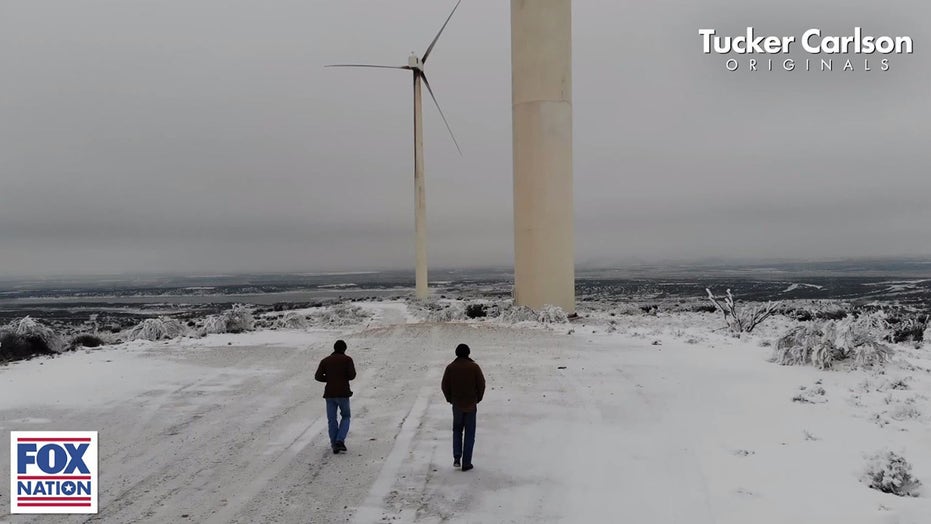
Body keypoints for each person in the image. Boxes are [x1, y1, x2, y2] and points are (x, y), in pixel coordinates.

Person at [441, 343, 485, 471]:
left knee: (457, 430)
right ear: (468, 353)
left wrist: (450, 398)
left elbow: (444, 385)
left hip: (457, 404)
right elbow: (481, 384)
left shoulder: (451, 368)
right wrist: (478, 398)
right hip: (471, 404)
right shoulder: (474, 367)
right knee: (470, 433)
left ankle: (456, 457)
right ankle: (466, 462)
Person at [315, 339, 356, 454]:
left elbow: (318, 376)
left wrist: (329, 379)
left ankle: (334, 444)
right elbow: (352, 376)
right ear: (344, 349)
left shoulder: (325, 361)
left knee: (332, 419)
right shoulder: (347, 360)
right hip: (343, 393)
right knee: (346, 416)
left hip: (330, 394)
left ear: (334, 348)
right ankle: (340, 440)